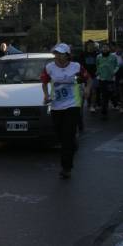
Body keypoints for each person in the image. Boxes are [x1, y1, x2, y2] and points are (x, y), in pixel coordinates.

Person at [41, 43, 91, 179]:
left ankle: (66, 167)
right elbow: (44, 82)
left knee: (67, 136)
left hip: (72, 105)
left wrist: (87, 89)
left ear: (67, 55)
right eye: (56, 53)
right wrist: (46, 95)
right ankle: (72, 143)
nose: (57, 56)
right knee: (60, 135)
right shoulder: (49, 67)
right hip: (56, 106)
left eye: (60, 53)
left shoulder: (76, 66)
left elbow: (88, 79)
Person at [95, 43, 119, 118]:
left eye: (106, 47)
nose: (105, 49)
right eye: (103, 47)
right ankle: (104, 110)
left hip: (111, 78)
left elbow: (117, 65)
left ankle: (114, 103)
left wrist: (114, 71)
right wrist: (98, 72)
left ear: (109, 49)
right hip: (102, 78)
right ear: (101, 49)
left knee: (111, 92)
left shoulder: (113, 56)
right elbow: (97, 65)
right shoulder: (98, 56)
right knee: (104, 94)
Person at [79, 40, 100, 112]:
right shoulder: (83, 54)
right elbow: (81, 65)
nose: (91, 46)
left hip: (94, 75)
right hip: (86, 76)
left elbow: (99, 64)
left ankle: (92, 105)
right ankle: (89, 103)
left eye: (92, 45)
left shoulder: (97, 54)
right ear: (87, 45)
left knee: (94, 91)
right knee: (87, 92)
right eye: (90, 45)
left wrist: (98, 71)